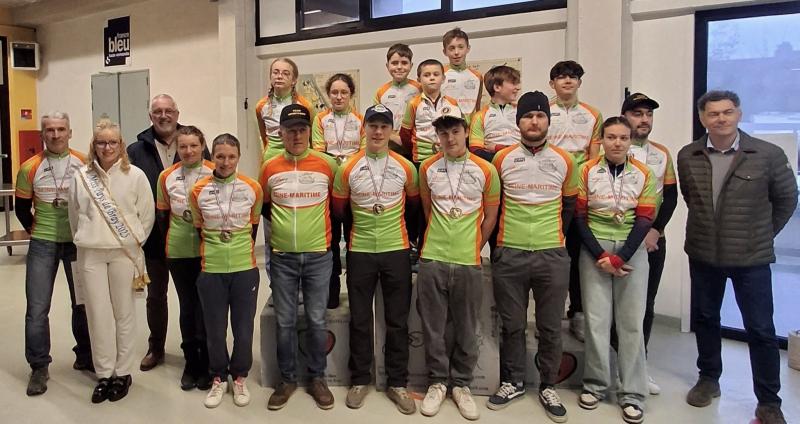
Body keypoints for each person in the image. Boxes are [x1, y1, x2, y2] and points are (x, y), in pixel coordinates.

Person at [678, 90, 796, 424]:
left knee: (760, 328)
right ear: (703, 118)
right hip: (704, 253)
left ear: (739, 114)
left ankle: (768, 401)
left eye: (727, 112)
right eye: (713, 114)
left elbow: (787, 199)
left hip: (751, 258)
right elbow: (691, 197)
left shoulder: (767, 154)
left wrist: (762, 234)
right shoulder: (689, 155)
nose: (721, 119)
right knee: (705, 318)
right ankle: (708, 378)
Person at [487, 91, 576, 423]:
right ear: (518, 121)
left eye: (540, 116)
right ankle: (512, 381)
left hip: (552, 254)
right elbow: (492, 207)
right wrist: (498, 248)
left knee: (550, 326)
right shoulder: (501, 159)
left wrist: (554, 240)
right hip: (510, 252)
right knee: (512, 325)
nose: (534, 122)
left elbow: (569, 208)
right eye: (528, 116)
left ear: (548, 121)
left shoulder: (566, 160)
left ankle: (548, 385)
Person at [332, 105, 419, 414]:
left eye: (384, 126)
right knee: (359, 318)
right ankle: (359, 379)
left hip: (396, 250)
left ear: (391, 130)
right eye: (373, 125)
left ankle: (397, 382)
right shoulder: (347, 168)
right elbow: (339, 211)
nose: (378, 131)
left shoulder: (406, 167)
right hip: (360, 251)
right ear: (364, 129)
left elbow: (414, 208)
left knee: (397, 320)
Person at [417, 107, 500, 421]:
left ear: (466, 131)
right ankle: (438, 382)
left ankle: (462, 384)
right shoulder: (427, 167)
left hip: (468, 259)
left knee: (467, 327)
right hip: (433, 257)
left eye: (455, 131)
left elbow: (490, 217)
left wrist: (473, 246)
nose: (449, 138)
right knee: (433, 327)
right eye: (443, 133)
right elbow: (428, 211)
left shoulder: (486, 170)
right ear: (437, 136)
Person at [573, 116, 656, 424]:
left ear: (630, 140)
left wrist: (620, 259)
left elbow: (645, 219)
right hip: (595, 249)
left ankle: (632, 393)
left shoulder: (644, 173)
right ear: (602, 140)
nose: (617, 143)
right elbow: (579, 217)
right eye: (611, 137)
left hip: (631, 249)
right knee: (596, 321)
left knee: (631, 323)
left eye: (623, 137)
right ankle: (595, 385)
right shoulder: (586, 170)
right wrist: (601, 255)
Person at [68, 119, 155, 403]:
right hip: (90, 253)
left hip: (123, 253)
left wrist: (133, 242)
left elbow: (147, 215)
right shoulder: (81, 177)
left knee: (124, 313)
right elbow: (74, 216)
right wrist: (86, 236)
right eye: (101, 142)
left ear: (121, 145)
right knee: (97, 314)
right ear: (94, 145)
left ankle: (123, 372)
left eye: (113, 142)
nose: (107, 147)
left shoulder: (136, 175)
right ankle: (104, 373)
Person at [260, 104, 338, 411]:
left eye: (302, 129)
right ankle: (288, 379)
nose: (296, 135)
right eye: (290, 130)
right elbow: (266, 207)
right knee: (284, 321)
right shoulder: (269, 167)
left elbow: (338, 206)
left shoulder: (327, 164)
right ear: (280, 133)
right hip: (283, 258)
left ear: (309, 131)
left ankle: (317, 378)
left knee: (317, 320)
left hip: (319, 255)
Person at [16, 111, 92, 396]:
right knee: (37, 308)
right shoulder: (29, 168)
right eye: (50, 130)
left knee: (82, 303)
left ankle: (85, 355)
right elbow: (22, 209)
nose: (56, 134)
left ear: (70, 133)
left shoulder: (84, 162)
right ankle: (38, 366)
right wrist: (39, 230)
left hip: (77, 243)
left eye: (61, 129)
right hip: (43, 244)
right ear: (43, 134)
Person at [128, 94, 202, 371]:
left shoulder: (192, 143)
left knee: (192, 298)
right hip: (154, 238)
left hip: (189, 239)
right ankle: (156, 348)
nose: (163, 116)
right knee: (156, 296)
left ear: (177, 113)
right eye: (157, 111)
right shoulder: (136, 150)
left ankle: (195, 351)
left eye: (168, 110)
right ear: (151, 116)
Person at [189, 133, 262, 409]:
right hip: (212, 269)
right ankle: (218, 376)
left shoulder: (252, 188)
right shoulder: (198, 191)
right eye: (220, 156)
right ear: (212, 157)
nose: (226, 162)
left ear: (239, 157)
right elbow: (199, 226)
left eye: (232, 156)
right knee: (215, 330)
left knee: (243, 329)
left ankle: (240, 376)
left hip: (245, 268)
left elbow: (253, 225)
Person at [616, 92, 678, 395]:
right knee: (614, 305)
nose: (644, 119)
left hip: (651, 239)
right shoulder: (612, 148)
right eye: (637, 113)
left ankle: (639, 366)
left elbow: (671, 196)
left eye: (648, 114)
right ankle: (615, 365)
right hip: (617, 236)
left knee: (645, 305)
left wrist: (657, 230)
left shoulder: (661, 153)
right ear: (625, 116)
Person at [547, 60, 603, 342]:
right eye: (561, 77)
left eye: (573, 77)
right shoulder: (544, 111)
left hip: (579, 193)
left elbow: (594, 156)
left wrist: (587, 189)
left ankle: (578, 312)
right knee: (553, 255)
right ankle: (551, 314)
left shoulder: (593, 114)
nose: (567, 81)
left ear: (579, 82)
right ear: (552, 83)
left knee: (579, 254)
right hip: (551, 192)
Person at [155, 126, 215, 391]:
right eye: (183, 146)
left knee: (207, 307)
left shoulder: (214, 172)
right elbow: (162, 216)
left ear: (202, 146)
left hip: (209, 251)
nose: (188, 151)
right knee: (187, 306)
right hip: (179, 251)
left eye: (193, 145)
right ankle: (191, 363)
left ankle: (208, 362)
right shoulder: (166, 176)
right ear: (176, 149)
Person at [311, 72, 365, 309]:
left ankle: (356, 294)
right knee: (330, 243)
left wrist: (346, 167)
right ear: (328, 94)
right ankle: (331, 294)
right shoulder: (320, 119)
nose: (339, 97)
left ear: (351, 94)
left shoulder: (361, 119)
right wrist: (339, 165)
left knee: (353, 243)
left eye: (344, 92)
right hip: (330, 188)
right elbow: (319, 152)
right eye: (334, 92)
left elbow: (363, 152)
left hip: (353, 188)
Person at [256, 57, 315, 162]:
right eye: (275, 72)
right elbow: (264, 137)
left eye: (285, 73)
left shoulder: (305, 106)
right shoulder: (261, 106)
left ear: (294, 80)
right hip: (271, 158)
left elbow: (311, 139)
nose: (279, 76)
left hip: (299, 157)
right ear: (270, 77)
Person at [374, 43, 421, 152]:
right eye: (394, 63)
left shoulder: (420, 89)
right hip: (390, 144)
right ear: (387, 66)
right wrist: (392, 137)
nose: (399, 67)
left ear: (411, 65)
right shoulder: (380, 92)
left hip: (415, 144)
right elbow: (377, 121)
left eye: (404, 63)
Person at [469, 65, 521, 162]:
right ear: (497, 87)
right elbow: (475, 150)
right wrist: (501, 159)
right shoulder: (479, 116)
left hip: (521, 164)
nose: (518, 88)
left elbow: (531, 146)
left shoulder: (522, 111)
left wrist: (497, 148)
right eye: (513, 83)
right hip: (494, 166)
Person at [441, 27, 483, 123]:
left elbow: (478, 106)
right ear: (445, 52)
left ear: (468, 48)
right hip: (447, 125)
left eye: (461, 47)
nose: (456, 52)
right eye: (451, 48)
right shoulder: (439, 75)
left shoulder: (477, 76)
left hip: (471, 127)